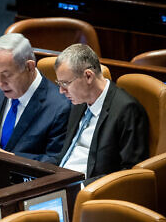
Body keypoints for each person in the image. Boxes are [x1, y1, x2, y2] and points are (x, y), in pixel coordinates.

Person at [54, 43, 149, 185]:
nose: (61, 91)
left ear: (88, 76)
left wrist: (80, 188)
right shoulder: (79, 102)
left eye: (65, 83)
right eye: (59, 83)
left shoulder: (127, 110)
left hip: (91, 191)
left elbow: (129, 173)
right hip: (60, 180)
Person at [0, 33, 71, 164]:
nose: (0, 83)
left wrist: (11, 158)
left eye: (7, 75)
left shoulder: (61, 107)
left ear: (29, 67)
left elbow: (56, 161)